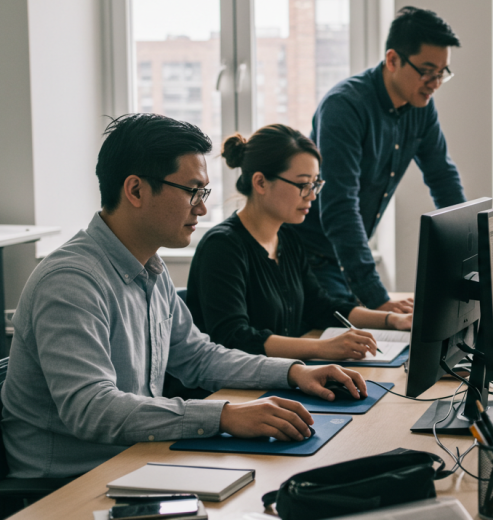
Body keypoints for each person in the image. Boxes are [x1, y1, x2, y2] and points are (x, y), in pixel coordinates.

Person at [0, 114, 367, 479]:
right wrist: (224, 415)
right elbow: (92, 408)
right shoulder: (71, 282)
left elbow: (199, 357)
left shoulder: (150, 270)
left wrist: (295, 372)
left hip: (137, 458)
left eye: (203, 192)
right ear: (136, 190)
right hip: (67, 486)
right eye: (193, 191)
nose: (203, 208)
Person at [186, 124, 412, 365]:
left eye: (316, 184)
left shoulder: (288, 238)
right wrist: (324, 348)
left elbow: (321, 306)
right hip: (229, 391)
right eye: (303, 184)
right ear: (260, 182)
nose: (312, 195)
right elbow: (234, 338)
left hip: (279, 376)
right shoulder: (222, 247)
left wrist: (392, 320)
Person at [294, 6, 466, 313]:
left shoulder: (421, 107)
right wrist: (378, 298)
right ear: (392, 60)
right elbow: (340, 208)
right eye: (427, 71)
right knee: (354, 340)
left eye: (442, 73)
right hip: (307, 256)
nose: (435, 82)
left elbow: (443, 179)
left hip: (343, 255)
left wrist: (472, 255)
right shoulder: (344, 108)